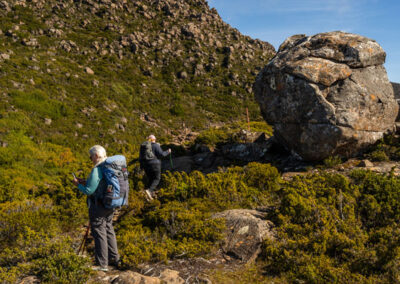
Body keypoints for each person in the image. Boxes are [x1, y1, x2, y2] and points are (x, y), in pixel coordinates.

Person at [73, 145, 119, 272]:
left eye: (91, 156)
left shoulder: (97, 169)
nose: (90, 159)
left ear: (96, 156)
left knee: (99, 233)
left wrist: (78, 185)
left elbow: (89, 191)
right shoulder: (110, 166)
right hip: (110, 203)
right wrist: (84, 181)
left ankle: (102, 264)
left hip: (98, 206)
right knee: (109, 230)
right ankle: (115, 259)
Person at [139, 135, 171, 200]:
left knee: (151, 179)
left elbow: (140, 157)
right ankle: (149, 191)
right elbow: (162, 154)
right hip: (155, 164)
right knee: (157, 178)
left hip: (146, 165)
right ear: (154, 139)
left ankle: (147, 195)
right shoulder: (156, 145)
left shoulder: (143, 147)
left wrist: (142, 166)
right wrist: (168, 152)